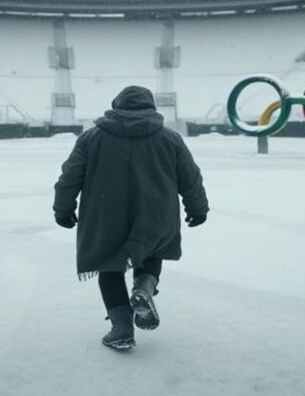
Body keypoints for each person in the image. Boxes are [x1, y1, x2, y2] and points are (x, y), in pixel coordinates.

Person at [53, 85, 209, 350]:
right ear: (151, 107)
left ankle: (122, 329)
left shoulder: (92, 138)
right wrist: (198, 209)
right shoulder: (170, 138)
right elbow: (190, 178)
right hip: (156, 212)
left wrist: (63, 209)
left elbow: (70, 177)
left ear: (116, 106)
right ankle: (144, 288)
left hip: (106, 215)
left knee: (109, 268)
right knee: (151, 254)